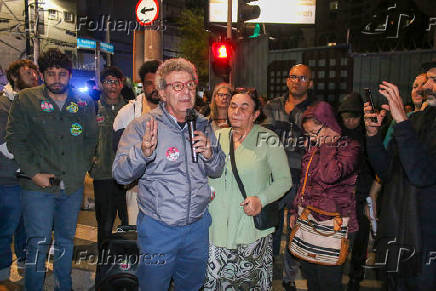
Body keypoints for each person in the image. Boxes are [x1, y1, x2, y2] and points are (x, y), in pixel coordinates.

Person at [112, 58, 225, 290]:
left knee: (192, 287)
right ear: (162, 92)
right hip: (158, 229)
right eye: (177, 86)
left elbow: (217, 169)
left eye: (190, 85)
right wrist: (142, 153)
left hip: (197, 227)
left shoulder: (203, 124)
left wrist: (210, 154)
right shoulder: (143, 126)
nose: (186, 92)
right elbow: (120, 175)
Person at [5, 48, 97, 291]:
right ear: (43, 74)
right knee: (39, 242)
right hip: (37, 187)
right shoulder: (27, 99)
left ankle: (62, 286)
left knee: (66, 241)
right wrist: (35, 174)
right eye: (51, 74)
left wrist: (79, 170)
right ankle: (34, 287)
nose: (57, 80)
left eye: (62, 74)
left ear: (69, 75)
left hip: (72, 185)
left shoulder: (83, 102)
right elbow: (15, 140)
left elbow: (90, 139)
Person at [204, 88, 292, 290]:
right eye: (233, 106)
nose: (236, 111)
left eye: (244, 107)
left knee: (249, 285)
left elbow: (284, 180)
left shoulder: (268, 139)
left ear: (255, 114)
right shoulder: (217, 137)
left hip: (250, 231)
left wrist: (261, 199)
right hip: (216, 232)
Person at [364, 64, 436, 291]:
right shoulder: (416, 120)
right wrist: (373, 136)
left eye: (432, 80)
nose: (425, 87)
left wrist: (402, 122)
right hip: (400, 233)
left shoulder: (410, 122)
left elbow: (421, 174)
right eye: (424, 82)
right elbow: (388, 172)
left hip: (427, 239)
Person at [289, 101, 360, 291]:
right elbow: (304, 182)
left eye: (315, 132)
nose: (312, 139)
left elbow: (331, 176)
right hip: (310, 219)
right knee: (312, 277)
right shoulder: (314, 148)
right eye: (309, 134)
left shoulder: (350, 147)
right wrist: (295, 209)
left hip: (335, 224)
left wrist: (328, 145)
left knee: (328, 281)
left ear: (328, 124)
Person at [262, 63, 319, 291]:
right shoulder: (273, 105)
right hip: (273, 175)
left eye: (303, 78)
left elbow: (317, 141)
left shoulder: (315, 109)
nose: (297, 81)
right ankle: (267, 271)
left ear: (310, 83)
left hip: (303, 176)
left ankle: (289, 277)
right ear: (287, 80)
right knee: (270, 226)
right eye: (293, 77)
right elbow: (265, 137)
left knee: (297, 228)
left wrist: (284, 132)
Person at [0, 59, 38, 283]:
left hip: (28, 177)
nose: (34, 75)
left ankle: (24, 262)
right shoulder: (4, 105)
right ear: (14, 77)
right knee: (7, 227)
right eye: (27, 72)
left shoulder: (32, 102)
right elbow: (7, 146)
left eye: (35, 71)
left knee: (27, 224)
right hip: (8, 178)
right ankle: (3, 270)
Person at [113, 59, 161, 225]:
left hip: (166, 192)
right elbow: (119, 152)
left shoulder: (175, 113)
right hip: (136, 190)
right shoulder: (128, 113)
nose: (155, 88)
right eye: (150, 83)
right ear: (142, 85)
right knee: (139, 238)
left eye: (159, 83)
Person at [337, 93, 376, 291]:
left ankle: (356, 276)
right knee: (339, 236)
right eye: (345, 117)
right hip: (340, 194)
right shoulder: (337, 134)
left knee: (360, 237)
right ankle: (337, 270)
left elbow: (375, 166)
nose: (349, 121)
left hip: (362, 193)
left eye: (354, 116)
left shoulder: (369, 134)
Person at [89, 66, 128, 249]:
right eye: (107, 81)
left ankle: (128, 267)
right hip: (103, 175)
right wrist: (92, 164)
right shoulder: (93, 108)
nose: (111, 86)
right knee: (105, 224)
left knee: (129, 223)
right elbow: (85, 139)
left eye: (115, 82)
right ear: (101, 84)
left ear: (122, 84)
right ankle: (103, 266)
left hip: (128, 178)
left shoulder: (131, 109)